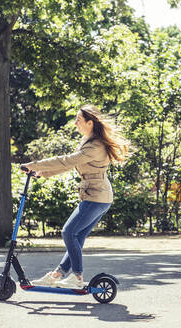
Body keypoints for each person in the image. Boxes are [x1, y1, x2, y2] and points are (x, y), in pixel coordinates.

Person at [21, 104, 129, 288]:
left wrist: (34, 164)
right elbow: (69, 165)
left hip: (96, 197)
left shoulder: (94, 146)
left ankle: (77, 277)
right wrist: (40, 173)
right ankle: (58, 274)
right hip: (99, 196)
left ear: (90, 122)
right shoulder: (89, 142)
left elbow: (66, 160)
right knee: (77, 237)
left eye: (78, 120)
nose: (75, 123)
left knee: (68, 232)